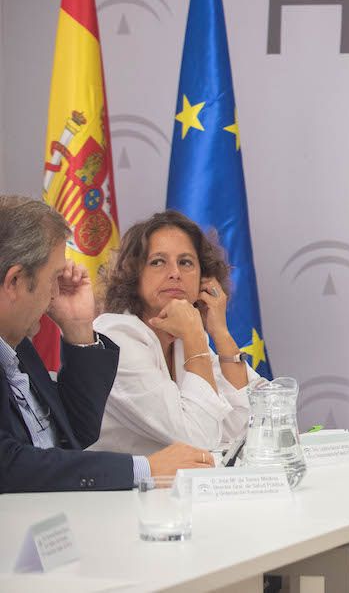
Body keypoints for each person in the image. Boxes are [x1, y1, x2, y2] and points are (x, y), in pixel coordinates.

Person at [0, 195, 213, 493]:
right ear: (14, 282)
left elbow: (77, 433)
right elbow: (9, 465)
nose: (54, 296)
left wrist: (78, 328)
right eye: (53, 279)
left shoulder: (19, 347)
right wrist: (145, 469)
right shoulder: (123, 331)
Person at [89, 210, 260, 455]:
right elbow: (199, 440)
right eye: (158, 261)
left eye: (186, 262)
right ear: (134, 274)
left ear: (204, 278)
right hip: (112, 492)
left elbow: (247, 428)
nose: (175, 273)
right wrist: (195, 337)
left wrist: (220, 331)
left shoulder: (181, 341)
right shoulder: (115, 338)